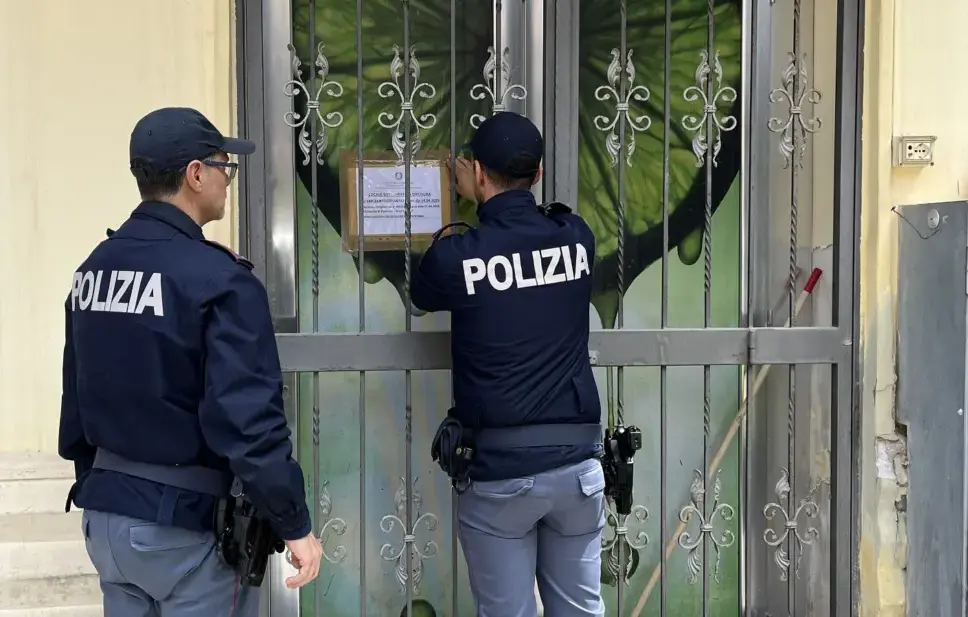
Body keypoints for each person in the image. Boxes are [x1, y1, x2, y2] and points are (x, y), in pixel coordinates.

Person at [58, 107, 322, 617]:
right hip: (186, 532)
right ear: (195, 175)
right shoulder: (219, 280)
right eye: (225, 166)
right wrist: (294, 523)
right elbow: (248, 421)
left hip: (109, 520)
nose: (229, 180)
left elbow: (77, 396)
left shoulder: (93, 269)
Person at [413, 112, 605, 617]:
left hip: (501, 476)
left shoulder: (459, 258)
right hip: (578, 468)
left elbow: (422, 290)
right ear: (537, 176)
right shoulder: (576, 237)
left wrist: (454, 201)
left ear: (476, 173)